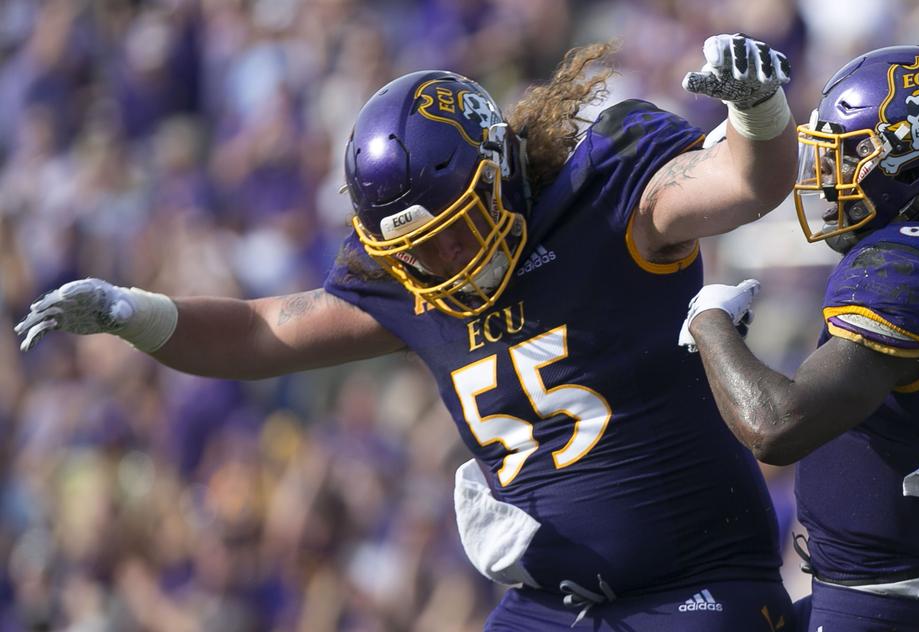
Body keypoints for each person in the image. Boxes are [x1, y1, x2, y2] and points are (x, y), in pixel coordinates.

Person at [18, 35, 800, 631]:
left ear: (498, 172)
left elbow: (746, 180)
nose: (441, 262)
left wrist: (758, 114)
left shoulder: (610, 203)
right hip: (554, 603)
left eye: (455, 233)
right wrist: (136, 313)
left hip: (699, 585)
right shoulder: (411, 286)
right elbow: (260, 333)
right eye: (416, 249)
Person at [677, 46, 919, 632]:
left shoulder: (904, 268)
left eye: (853, 154)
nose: (831, 177)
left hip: (878, 605)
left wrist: (709, 322)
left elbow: (776, 426)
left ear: (917, 163)